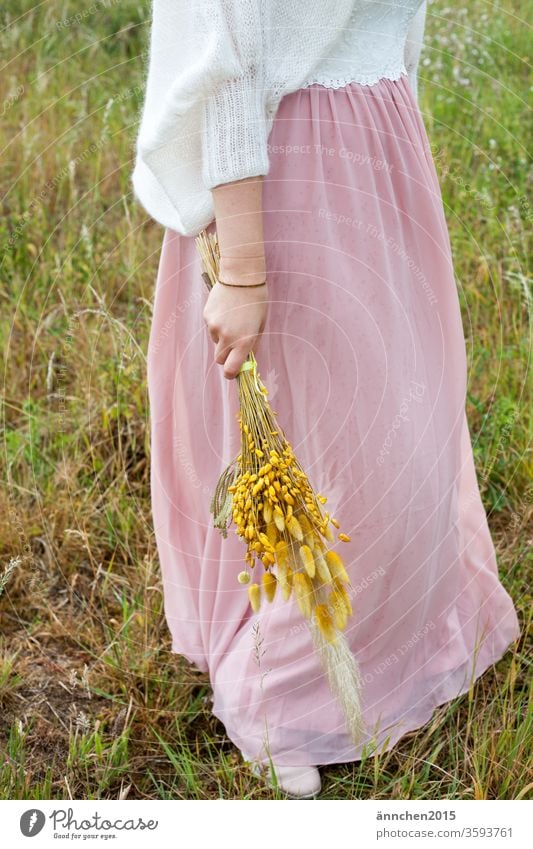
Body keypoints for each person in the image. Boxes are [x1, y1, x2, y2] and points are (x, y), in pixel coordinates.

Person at [131, 1, 520, 798]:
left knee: (410, 412)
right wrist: (242, 268)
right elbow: (226, 59)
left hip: (376, 150)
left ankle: (398, 642)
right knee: (349, 444)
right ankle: (274, 696)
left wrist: (394, 156)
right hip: (286, 174)